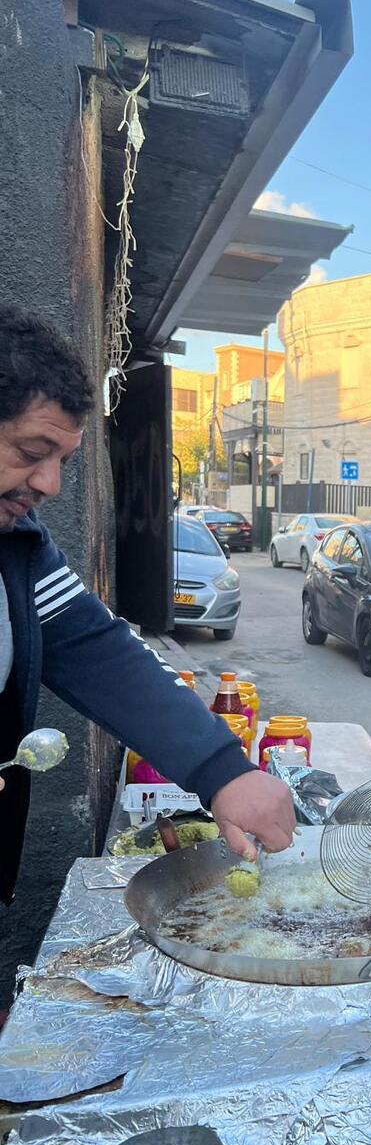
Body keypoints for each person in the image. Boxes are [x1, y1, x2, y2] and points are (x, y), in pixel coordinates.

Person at [0, 306, 294, 905]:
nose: (50, 484)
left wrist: (223, 769)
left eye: (62, 461)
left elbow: (99, 649)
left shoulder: (19, 546)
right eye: (32, 451)